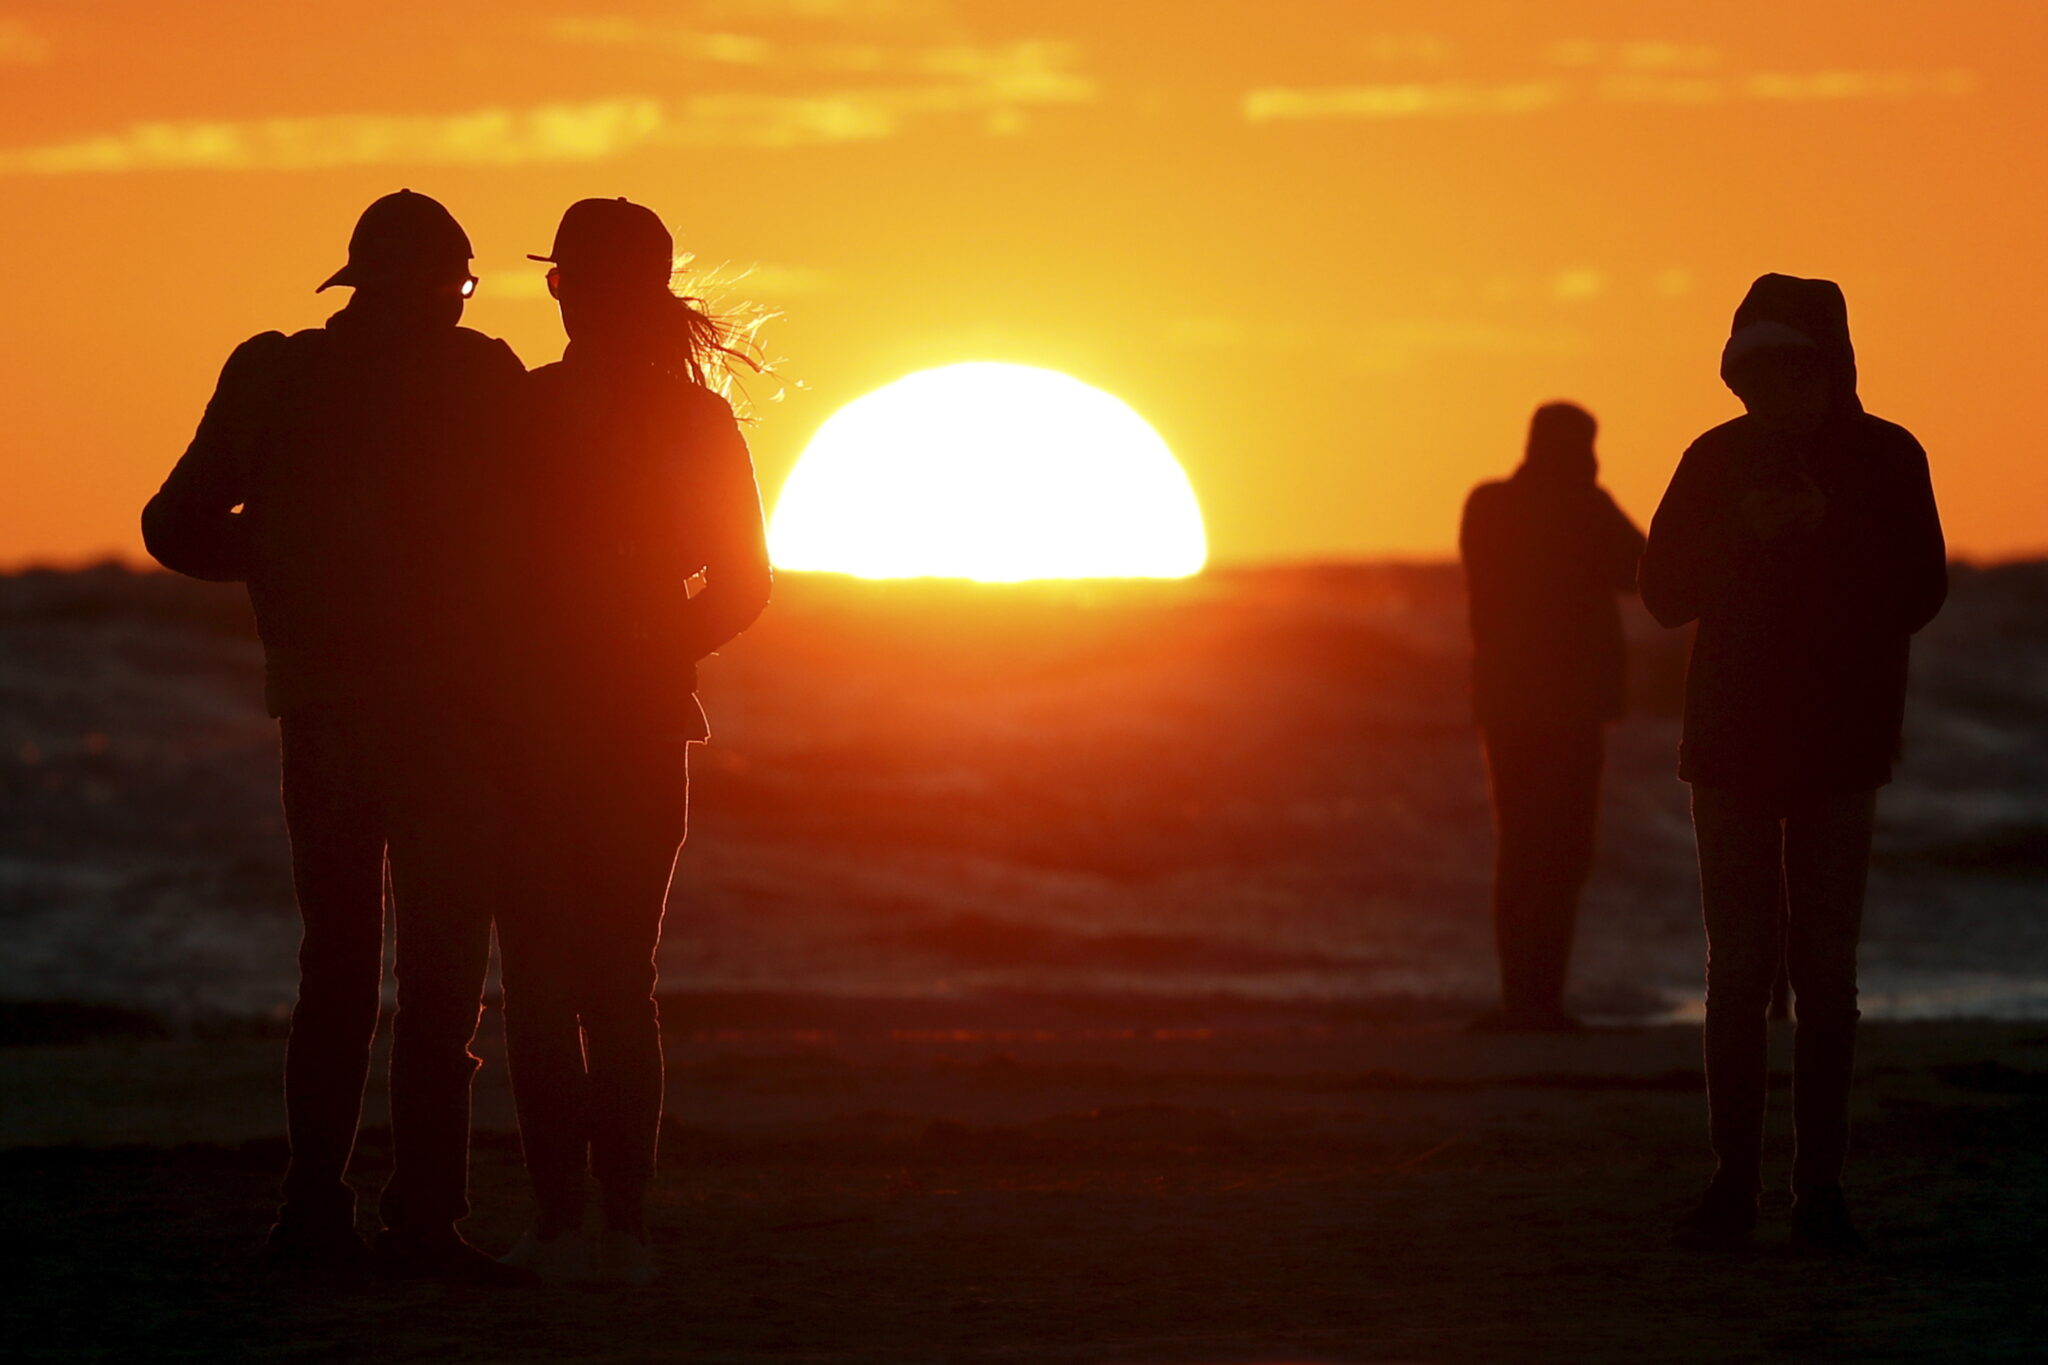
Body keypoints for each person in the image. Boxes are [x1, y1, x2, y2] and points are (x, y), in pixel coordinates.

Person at [142, 190, 533, 1284]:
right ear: (435, 285)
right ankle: (423, 1220)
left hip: (319, 713)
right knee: (444, 966)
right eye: (457, 286)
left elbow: (172, 526)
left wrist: (275, 557)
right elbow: (546, 540)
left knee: (338, 969)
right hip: (454, 719)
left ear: (355, 282)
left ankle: (312, 1211)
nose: (460, 306)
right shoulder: (482, 379)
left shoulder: (271, 373)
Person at [491, 198, 772, 1286]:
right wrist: (661, 639)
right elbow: (742, 584)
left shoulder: (523, 412)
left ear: (562, 287)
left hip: (529, 728)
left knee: (547, 982)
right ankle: (620, 1234)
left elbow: (469, 575)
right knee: (616, 982)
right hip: (641, 722)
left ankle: (567, 1228)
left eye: (571, 282)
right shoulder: (694, 422)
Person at [1641, 274, 1946, 1253]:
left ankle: (1818, 1186)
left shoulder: (1886, 457)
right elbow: (1658, 594)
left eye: (1791, 376)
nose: (1773, 398)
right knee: (1736, 970)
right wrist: (1745, 534)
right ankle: (1733, 1181)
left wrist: (1829, 536)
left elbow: (1920, 591)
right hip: (1727, 742)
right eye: (1755, 380)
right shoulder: (1713, 460)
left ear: (1830, 368)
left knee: (1823, 973)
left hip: (1840, 743)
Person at [1459, 402, 1645, 1032]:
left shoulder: (1489, 505)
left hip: (1514, 704)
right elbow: (1646, 573)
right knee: (1558, 852)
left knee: (1528, 852)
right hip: (1562, 707)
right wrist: (1593, 500)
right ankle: (1536, 1002)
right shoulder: (1578, 509)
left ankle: (1530, 1000)